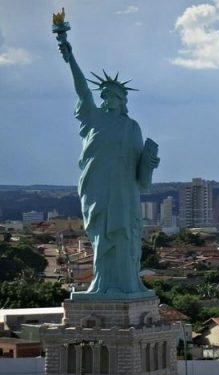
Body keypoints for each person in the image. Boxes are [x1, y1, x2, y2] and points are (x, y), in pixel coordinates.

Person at [58, 31, 158, 297]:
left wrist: (149, 162)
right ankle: (101, 284)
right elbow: (82, 89)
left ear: (121, 100)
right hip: (96, 186)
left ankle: (126, 284)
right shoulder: (92, 118)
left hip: (124, 190)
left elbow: (142, 176)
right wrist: (70, 59)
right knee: (100, 235)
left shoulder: (131, 127)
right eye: (103, 95)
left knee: (124, 234)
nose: (105, 100)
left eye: (110, 96)